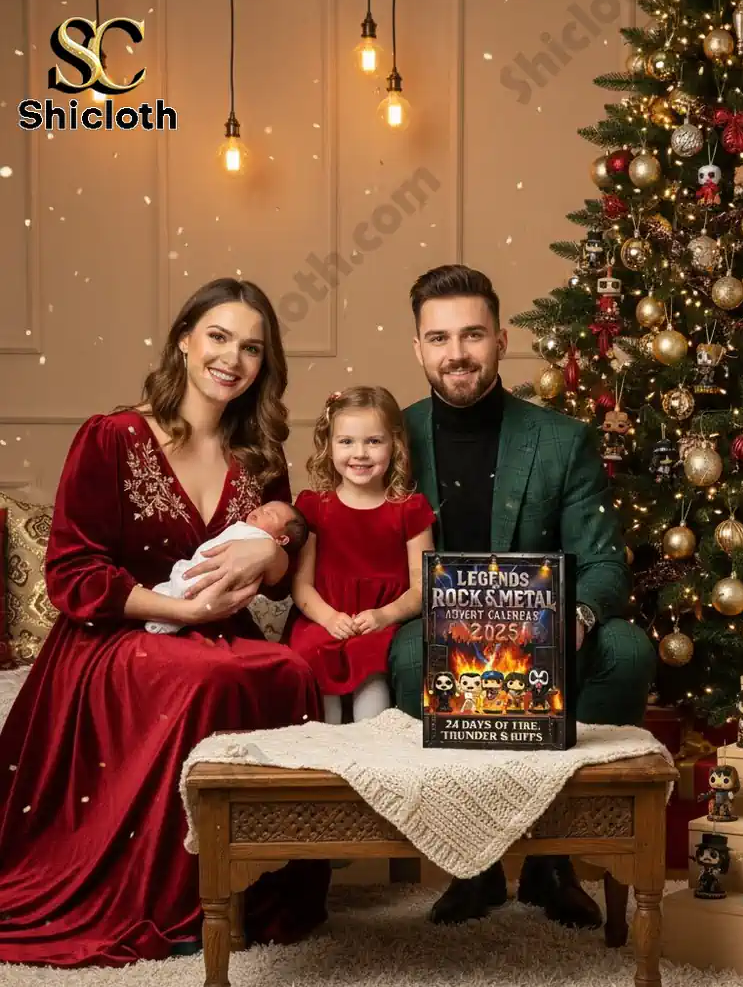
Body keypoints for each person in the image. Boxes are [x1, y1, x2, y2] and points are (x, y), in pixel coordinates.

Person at [0, 278, 329, 967]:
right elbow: (73, 574)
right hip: (116, 636)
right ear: (184, 339)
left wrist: (272, 549)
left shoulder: (259, 455)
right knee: (206, 679)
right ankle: (177, 898)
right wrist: (181, 609)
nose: (232, 359)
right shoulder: (113, 437)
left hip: (221, 632)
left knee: (291, 672)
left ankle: (257, 889)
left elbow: (283, 561)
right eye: (218, 338)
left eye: (251, 348)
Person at [388, 264, 657, 928]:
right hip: (439, 631)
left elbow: (603, 563)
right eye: (439, 338)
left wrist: (577, 616)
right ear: (417, 348)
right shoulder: (390, 436)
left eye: (473, 335)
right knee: (408, 653)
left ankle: (552, 861)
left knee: (625, 649)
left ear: (502, 340)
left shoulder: (562, 440)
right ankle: (472, 865)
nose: (457, 353)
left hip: (544, 628)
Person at [284, 386, 436, 724]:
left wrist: (385, 615)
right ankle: (323, 744)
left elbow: (423, 586)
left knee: (372, 676)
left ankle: (370, 745)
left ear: (395, 444)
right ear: (329, 446)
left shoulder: (410, 509)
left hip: (379, 621)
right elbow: (301, 584)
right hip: (323, 620)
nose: (360, 453)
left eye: (374, 441)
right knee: (314, 663)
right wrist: (328, 618)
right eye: (346, 441)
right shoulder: (314, 506)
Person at [146, 500, 308, 633]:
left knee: (191, 589)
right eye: (263, 507)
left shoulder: (259, 537)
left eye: (269, 514)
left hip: (216, 581)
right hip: (196, 567)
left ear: (282, 539)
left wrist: (270, 549)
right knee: (176, 587)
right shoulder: (244, 528)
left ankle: (168, 620)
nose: (261, 510)